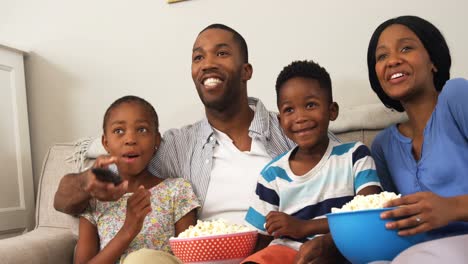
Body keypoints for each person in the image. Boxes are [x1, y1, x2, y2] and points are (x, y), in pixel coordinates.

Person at [54, 24, 341, 263]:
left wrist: (330, 243)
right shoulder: (176, 145)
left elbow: (356, 190)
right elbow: (66, 199)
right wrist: (88, 180)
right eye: (198, 58)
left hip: (281, 255)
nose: (208, 64)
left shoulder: (294, 128)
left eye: (222, 53)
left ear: (246, 71)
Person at [242, 60, 382, 263]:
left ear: (332, 110)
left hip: (341, 247)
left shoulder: (354, 156)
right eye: (289, 110)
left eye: (310, 105)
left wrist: (304, 227)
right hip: (285, 253)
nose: (300, 117)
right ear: (280, 121)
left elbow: (368, 215)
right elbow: (259, 241)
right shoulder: (272, 175)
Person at [367, 15, 468, 263]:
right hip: (422, 251)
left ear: (433, 60)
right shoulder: (383, 146)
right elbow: (394, 218)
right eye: (382, 56)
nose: (392, 61)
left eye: (406, 48)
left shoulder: (457, 96)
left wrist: (454, 207)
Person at [74, 96, 199, 264]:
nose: (130, 139)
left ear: (156, 140)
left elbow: (189, 259)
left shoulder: (177, 190)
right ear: (106, 143)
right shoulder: (95, 199)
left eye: (142, 130)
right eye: (119, 131)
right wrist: (128, 230)